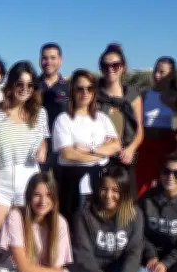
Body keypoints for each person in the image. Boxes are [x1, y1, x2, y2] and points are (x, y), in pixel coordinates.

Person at [70, 166, 154, 272]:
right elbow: (83, 256)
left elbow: (135, 250)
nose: (109, 195)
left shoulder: (134, 214)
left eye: (115, 190)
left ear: (124, 191)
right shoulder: (84, 214)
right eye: (104, 189)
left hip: (115, 268)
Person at [0, 61, 49, 236]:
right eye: (20, 83)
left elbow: (42, 141)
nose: (25, 88)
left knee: (27, 239)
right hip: (0, 182)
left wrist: (43, 149)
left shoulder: (40, 113)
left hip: (29, 181)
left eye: (30, 85)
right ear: (11, 85)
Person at [52, 69, 121, 223]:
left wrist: (91, 149)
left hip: (99, 183)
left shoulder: (102, 118)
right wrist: (103, 153)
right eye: (80, 88)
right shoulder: (63, 120)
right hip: (73, 184)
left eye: (89, 88)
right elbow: (68, 154)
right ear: (72, 91)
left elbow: (116, 145)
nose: (85, 92)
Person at [134, 56, 177, 198]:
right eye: (155, 71)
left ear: (171, 75)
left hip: (166, 148)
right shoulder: (145, 95)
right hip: (145, 147)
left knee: (164, 185)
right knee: (141, 188)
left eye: (162, 72)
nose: (157, 75)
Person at [97, 43, 144, 170]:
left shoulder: (133, 96)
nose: (110, 69)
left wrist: (131, 149)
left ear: (122, 67)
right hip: (99, 155)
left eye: (115, 65)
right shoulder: (93, 95)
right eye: (105, 66)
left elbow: (139, 131)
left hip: (124, 156)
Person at [38, 42, 69, 171]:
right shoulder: (31, 86)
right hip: (36, 148)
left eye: (53, 58)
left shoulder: (70, 88)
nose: (48, 62)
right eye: (45, 58)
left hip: (63, 148)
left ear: (60, 60)